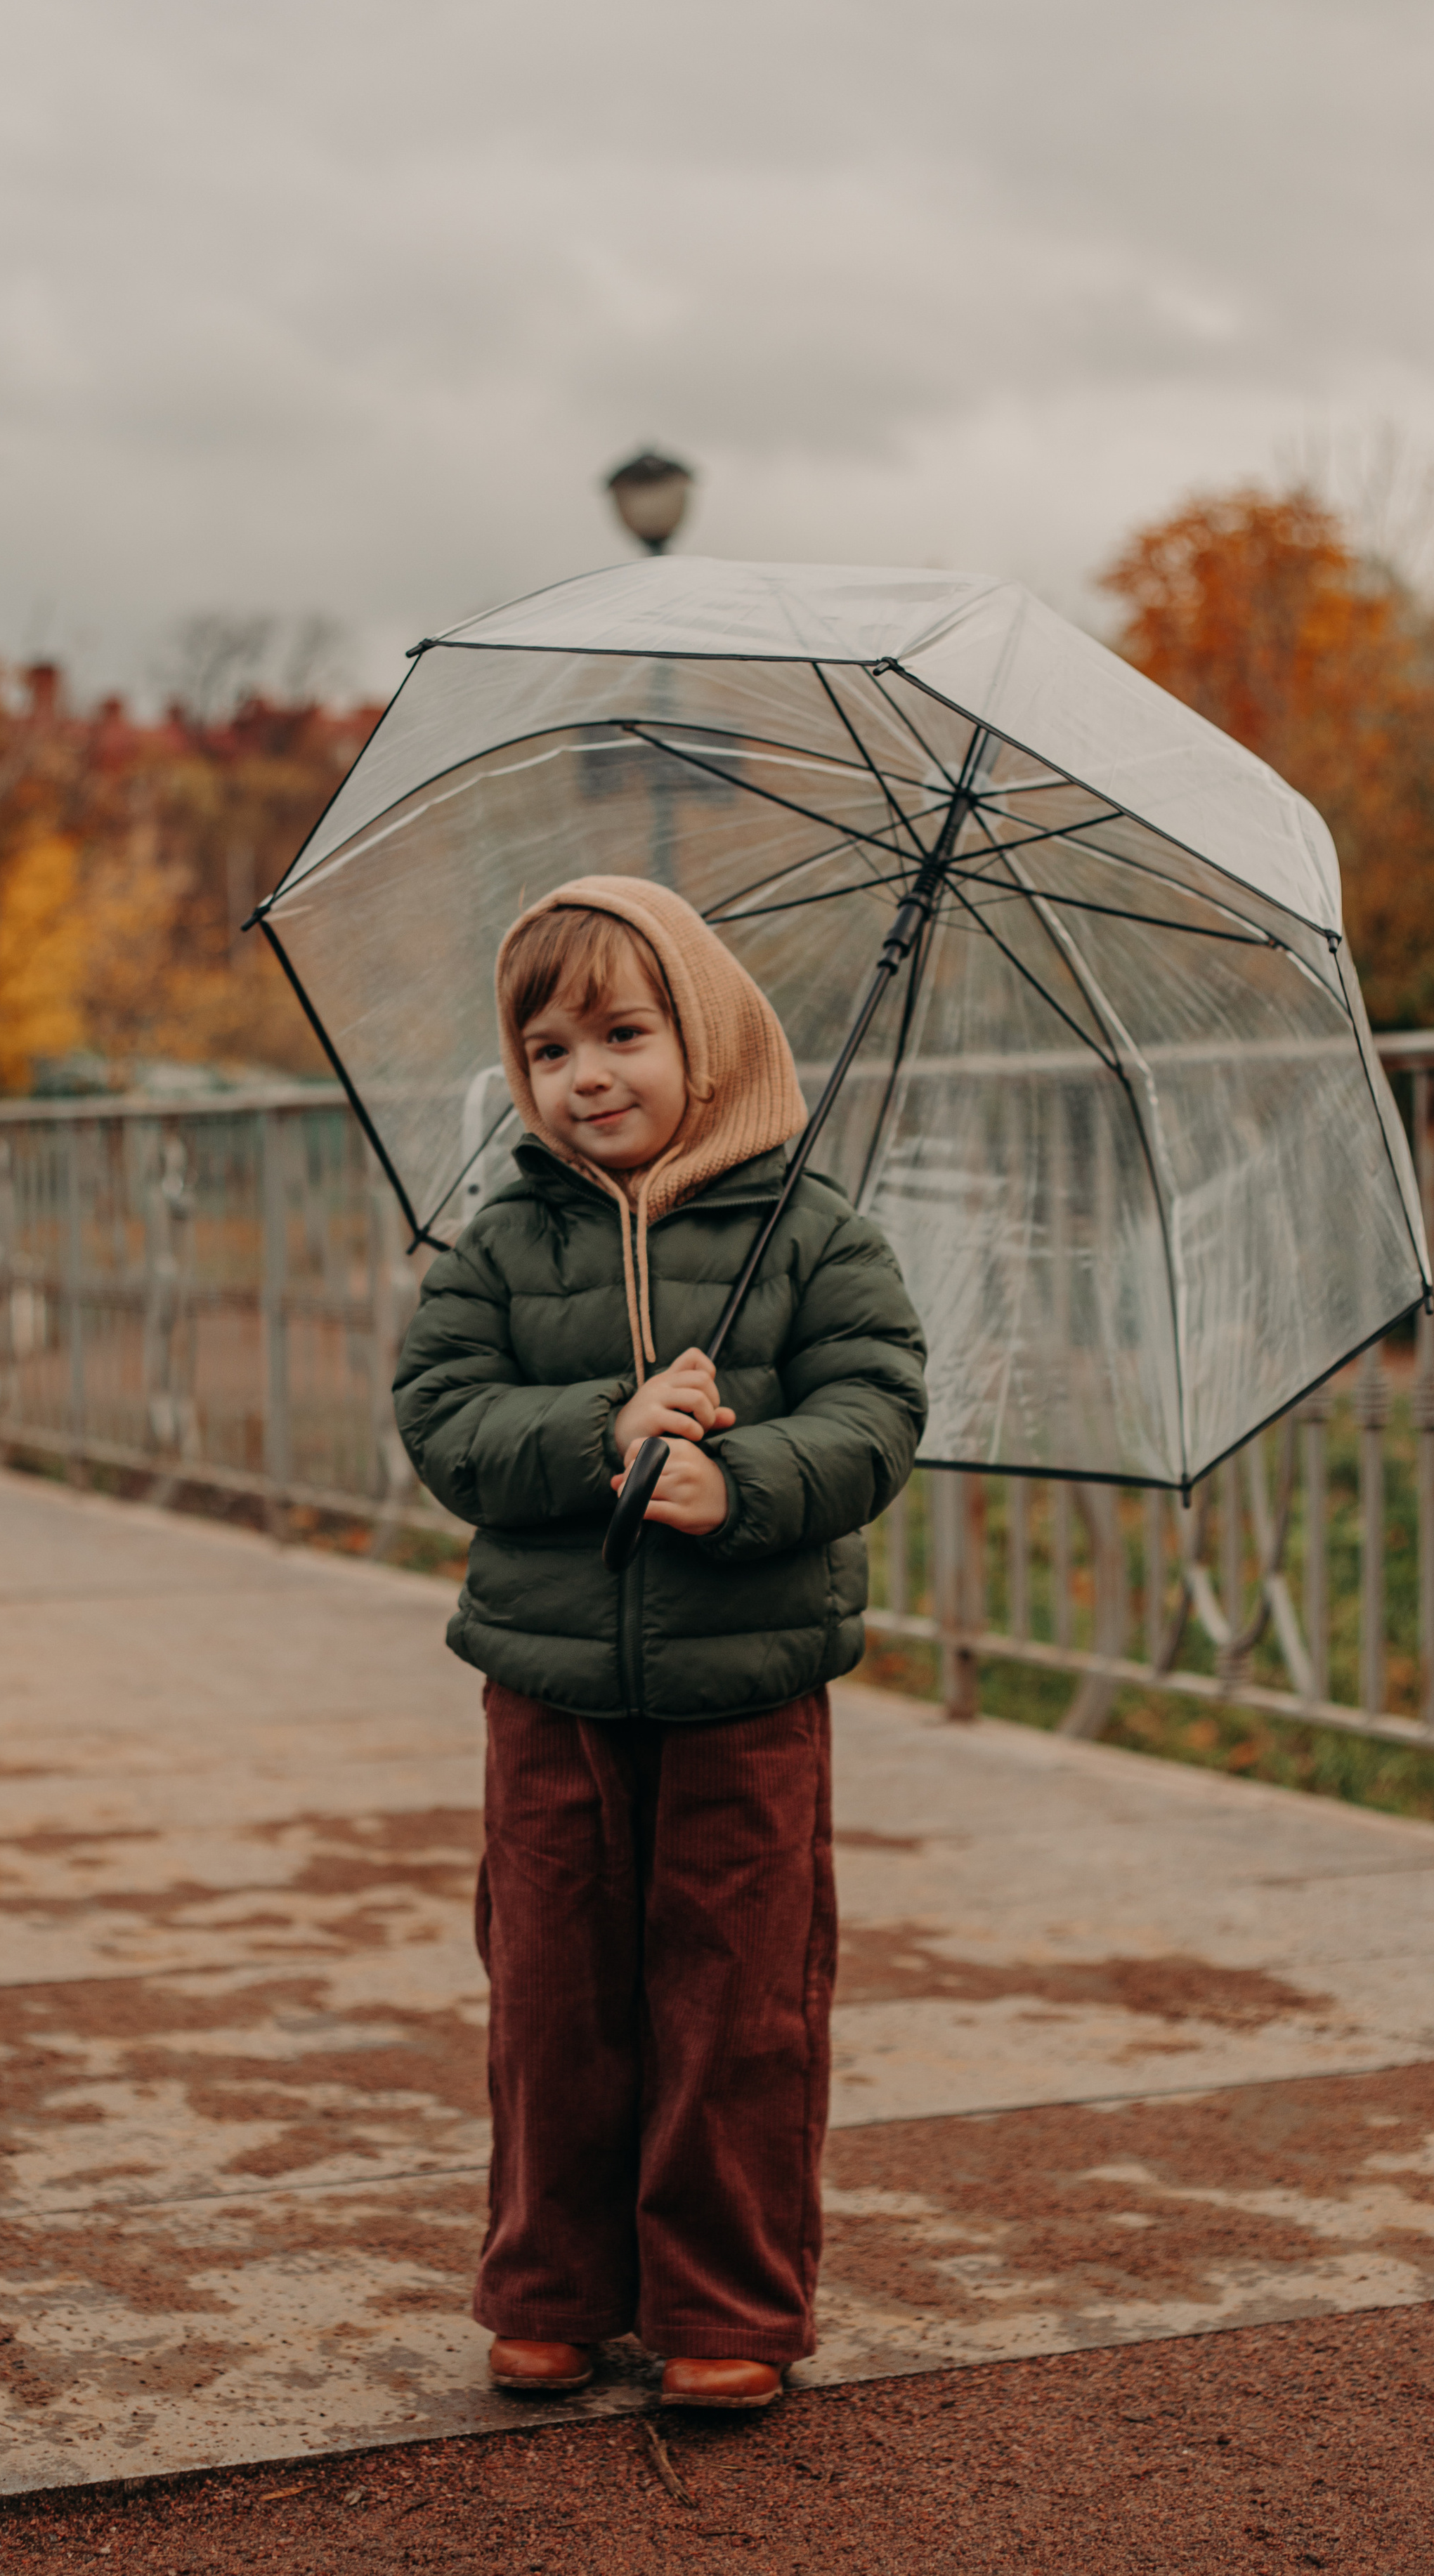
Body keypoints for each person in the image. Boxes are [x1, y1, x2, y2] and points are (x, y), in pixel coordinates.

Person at [392, 875, 927, 2411]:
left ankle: (726, 2305)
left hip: (744, 1692)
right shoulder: (502, 1242)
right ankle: (550, 2286)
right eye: (549, 1049)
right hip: (547, 1684)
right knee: (550, 1992)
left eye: (624, 1033)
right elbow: (440, 1416)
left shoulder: (815, 1233)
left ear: (710, 1037)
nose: (587, 1077)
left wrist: (734, 1481)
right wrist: (595, 1430)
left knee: (735, 2001)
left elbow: (875, 1412)